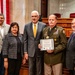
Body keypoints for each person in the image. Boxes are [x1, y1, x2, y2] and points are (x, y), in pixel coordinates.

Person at [23, 10, 46, 75]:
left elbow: (44, 37)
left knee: (39, 70)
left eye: (35, 16)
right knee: (31, 70)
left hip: (39, 51)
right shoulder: (27, 26)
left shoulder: (43, 25)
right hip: (30, 52)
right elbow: (25, 40)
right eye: (32, 16)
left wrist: (42, 44)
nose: (34, 18)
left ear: (38, 17)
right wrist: (25, 52)